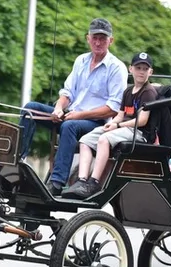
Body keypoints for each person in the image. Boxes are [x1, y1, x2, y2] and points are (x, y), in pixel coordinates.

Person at [18, 17, 127, 196]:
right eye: (95, 38)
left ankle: (56, 183)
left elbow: (113, 108)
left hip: (97, 124)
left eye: (103, 38)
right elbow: (67, 92)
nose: (98, 42)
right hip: (71, 115)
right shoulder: (81, 61)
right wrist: (59, 108)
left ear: (111, 41)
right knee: (30, 109)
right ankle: (18, 162)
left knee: (69, 126)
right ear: (88, 38)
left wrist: (79, 115)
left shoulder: (117, 68)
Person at [62, 52, 159, 199]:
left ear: (150, 72)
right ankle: (81, 181)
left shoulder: (149, 92)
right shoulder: (127, 91)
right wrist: (112, 123)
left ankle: (94, 183)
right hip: (123, 127)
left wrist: (117, 125)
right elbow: (120, 114)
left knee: (104, 139)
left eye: (145, 69)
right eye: (138, 67)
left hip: (139, 133)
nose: (141, 72)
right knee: (86, 140)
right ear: (130, 69)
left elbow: (142, 121)